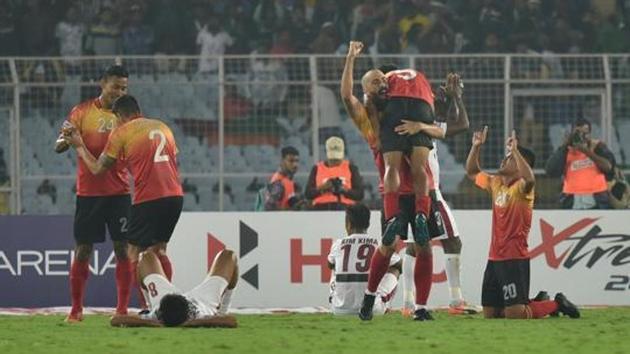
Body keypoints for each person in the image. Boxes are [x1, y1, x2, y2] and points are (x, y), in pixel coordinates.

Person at [340, 41, 435, 321]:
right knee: (388, 246)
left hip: (421, 192)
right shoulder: (371, 123)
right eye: (378, 83)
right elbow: (347, 96)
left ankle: (420, 308)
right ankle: (369, 298)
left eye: (387, 83)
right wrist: (350, 58)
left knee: (424, 247)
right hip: (395, 194)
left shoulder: (408, 117)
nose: (385, 87)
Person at [65, 94, 184, 312]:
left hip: (148, 198)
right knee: (160, 250)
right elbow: (173, 160)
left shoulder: (122, 132)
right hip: (175, 196)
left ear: (120, 116)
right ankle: (168, 304)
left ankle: (149, 308)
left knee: (132, 254)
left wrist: (79, 146)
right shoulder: (162, 126)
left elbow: (98, 169)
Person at [465, 127, 580, 319]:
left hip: (514, 258)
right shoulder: (496, 183)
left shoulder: (523, 189)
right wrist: (476, 147)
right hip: (494, 258)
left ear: (520, 164)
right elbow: (471, 172)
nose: (504, 160)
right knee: (491, 314)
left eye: (509, 158)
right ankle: (534, 301)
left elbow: (530, 178)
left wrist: (516, 152)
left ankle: (556, 304)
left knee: (515, 314)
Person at [394, 73, 479, 316]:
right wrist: (456, 99)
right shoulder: (420, 127)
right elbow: (461, 125)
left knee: (414, 245)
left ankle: (408, 303)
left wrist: (450, 99)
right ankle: (456, 300)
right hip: (429, 193)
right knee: (452, 241)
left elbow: (451, 121)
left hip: (410, 193)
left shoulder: (411, 124)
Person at [55, 65, 132, 323]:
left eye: (124, 88)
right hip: (88, 194)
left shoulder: (127, 116)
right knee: (83, 250)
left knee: (122, 250)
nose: (120, 92)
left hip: (119, 193)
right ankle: (76, 310)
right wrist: (68, 138)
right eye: (116, 86)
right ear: (103, 83)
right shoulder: (81, 111)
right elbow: (58, 145)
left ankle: (121, 310)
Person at [110, 249, 238, 328]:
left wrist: (152, 322)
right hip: (202, 300)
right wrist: (195, 322)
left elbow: (116, 320)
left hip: (194, 302)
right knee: (229, 256)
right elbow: (231, 322)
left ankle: (223, 310)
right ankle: (222, 311)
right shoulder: (201, 317)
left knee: (145, 257)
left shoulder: (155, 316)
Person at [327, 203, 401, 315]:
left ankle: (337, 300)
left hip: (339, 309)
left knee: (334, 267)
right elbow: (399, 264)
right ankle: (382, 302)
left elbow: (329, 264)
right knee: (395, 269)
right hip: (373, 309)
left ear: (349, 224)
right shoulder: (378, 244)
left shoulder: (338, 244)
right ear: (368, 224)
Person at [545, 118, 616, 209]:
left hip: (597, 197)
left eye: (585, 133)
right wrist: (564, 145)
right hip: (571, 198)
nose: (581, 136)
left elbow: (608, 167)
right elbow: (551, 171)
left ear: (590, 134)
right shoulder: (565, 151)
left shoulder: (598, 147)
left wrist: (586, 151)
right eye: (578, 133)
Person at [305, 136, 364, 210]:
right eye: (332, 159)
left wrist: (344, 190)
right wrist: (322, 188)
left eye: (337, 159)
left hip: (345, 208)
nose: (335, 162)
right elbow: (308, 194)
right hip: (320, 209)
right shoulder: (317, 168)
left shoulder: (351, 168)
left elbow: (360, 194)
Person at [262, 146, 301, 211]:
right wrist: (291, 210)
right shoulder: (278, 183)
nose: (295, 165)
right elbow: (269, 207)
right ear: (282, 161)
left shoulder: (289, 182)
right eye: (291, 161)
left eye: (297, 161)